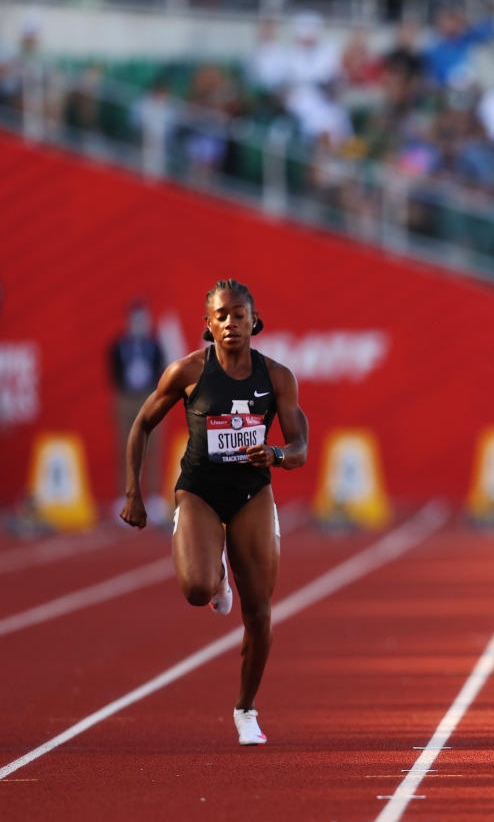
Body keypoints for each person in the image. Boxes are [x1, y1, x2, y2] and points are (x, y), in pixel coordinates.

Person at [120, 279, 309, 747]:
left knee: (260, 612)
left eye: (238, 314)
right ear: (208, 324)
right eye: (221, 316)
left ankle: (246, 709)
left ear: (254, 320)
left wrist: (278, 455)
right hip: (200, 492)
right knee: (197, 588)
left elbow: (301, 446)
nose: (230, 323)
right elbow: (142, 423)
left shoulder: (278, 377)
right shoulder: (187, 372)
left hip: (251, 495)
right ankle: (216, 575)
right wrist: (133, 493)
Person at [110, 300, 165, 511]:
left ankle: (152, 499)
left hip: (149, 398)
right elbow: (114, 373)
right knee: (126, 449)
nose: (139, 324)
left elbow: (160, 372)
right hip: (126, 398)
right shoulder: (119, 346)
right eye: (135, 320)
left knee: (151, 448)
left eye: (143, 320)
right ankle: (126, 498)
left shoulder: (155, 345)